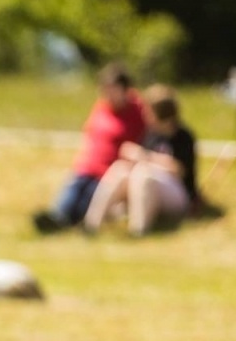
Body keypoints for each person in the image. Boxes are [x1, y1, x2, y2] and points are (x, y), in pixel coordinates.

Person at [33, 63, 146, 233]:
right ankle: (56, 219)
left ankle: (73, 222)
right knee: (72, 192)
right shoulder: (101, 108)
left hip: (110, 171)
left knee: (89, 198)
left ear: (124, 89)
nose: (107, 94)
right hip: (87, 167)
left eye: (112, 89)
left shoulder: (138, 112)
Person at [81, 84, 200, 236]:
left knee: (144, 174)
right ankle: (91, 224)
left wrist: (145, 157)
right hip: (149, 185)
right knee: (121, 169)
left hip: (179, 195)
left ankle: (138, 230)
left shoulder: (183, 137)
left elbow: (179, 170)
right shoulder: (151, 135)